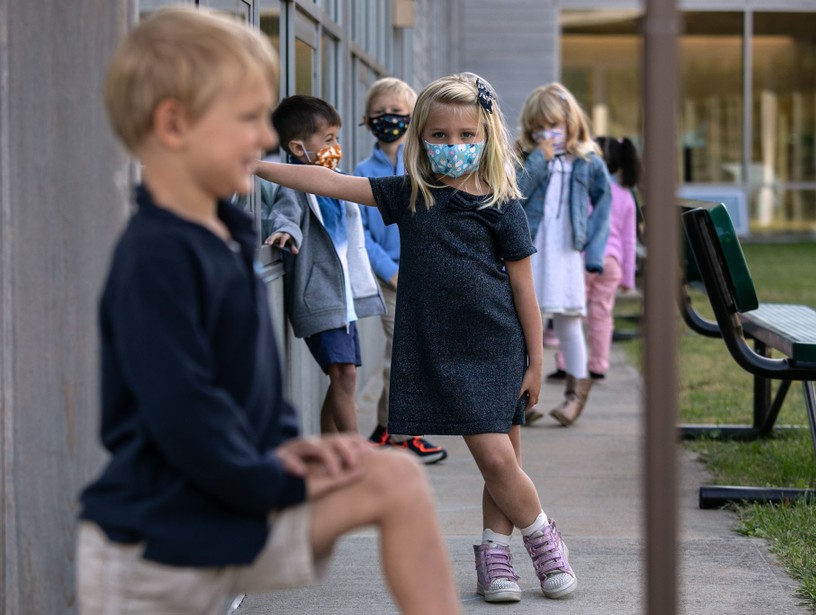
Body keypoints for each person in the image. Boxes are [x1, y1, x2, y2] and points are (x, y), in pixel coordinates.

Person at [77, 8, 459, 614]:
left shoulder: (224, 235)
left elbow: (248, 389)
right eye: (248, 118)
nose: (264, 139)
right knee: (394, 481)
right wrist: (269, 473)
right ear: (174, 124)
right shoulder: (157, 256)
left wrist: (286, 444)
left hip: (227, 498)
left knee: (396, 479)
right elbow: (181, 412)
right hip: (158, 539)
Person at [255, 72, 578, 603]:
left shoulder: (504, 206)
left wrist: (537, 362)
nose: (454, 145)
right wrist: (252, 165)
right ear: (421, 138)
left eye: (467, 135)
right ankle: (525, 545)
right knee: (498, 459)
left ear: (487, 137)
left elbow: (525, 290)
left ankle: (513, 551)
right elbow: (329, 182)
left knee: (501, 460)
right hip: (439, 349)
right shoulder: (410, 195)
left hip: (497, 348)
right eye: (440, 136)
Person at [264, 94, 385, 435]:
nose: (336, 147)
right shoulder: (296, 184)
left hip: (343, 298)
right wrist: (285, 232)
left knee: (344, 377)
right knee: (343, 374)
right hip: (321, 295)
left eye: (337, 138)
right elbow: (284, 213)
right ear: (298, 148)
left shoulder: (335, 180)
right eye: (328, 139)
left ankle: (332, 450)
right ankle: (353, 454)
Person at [354, 77, 448, 464]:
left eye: (397, 112)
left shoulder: (423, 166)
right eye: (379, 113)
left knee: (414, 354)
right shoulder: (363, 171)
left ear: (413, 118)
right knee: (402, 356)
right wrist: (389, 271)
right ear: (366, 120)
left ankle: (385, 428)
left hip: (424, 274)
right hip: (390, 280)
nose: (388, 118)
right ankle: (401, 435)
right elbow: (361, 232)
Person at [515, 82, 613, 428]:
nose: (547, 133)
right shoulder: (525, 158)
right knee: (523, 323)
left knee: (570, 322)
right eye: (539, 127)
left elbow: (604, 205)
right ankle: (519, 397)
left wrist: (594, 254)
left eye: (554, 125)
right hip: (530, 250)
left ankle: (575, 395)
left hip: (566, 252)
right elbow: (515, 193)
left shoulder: (587, 161)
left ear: (570, 123)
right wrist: (539, 160)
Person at [554, 136, 639, 381]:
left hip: (582, 261)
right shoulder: (625, 196)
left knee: (573, 313)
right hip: (611, 263)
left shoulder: (584, 190)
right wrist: (628, 277)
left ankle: (566, 365)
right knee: (602, 315)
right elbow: (629, 240)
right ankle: (598, 366)